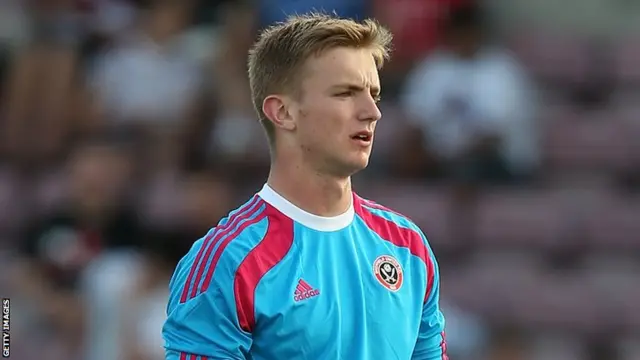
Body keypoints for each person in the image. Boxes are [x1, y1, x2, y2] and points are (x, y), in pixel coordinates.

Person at [162, 13, 447, 360]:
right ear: (283, 113)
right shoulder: (229, 261)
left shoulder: (408, 246)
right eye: (345, 93)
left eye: (374, 94)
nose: (372, 111)